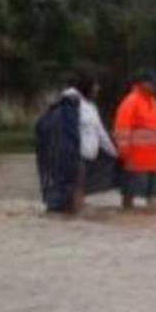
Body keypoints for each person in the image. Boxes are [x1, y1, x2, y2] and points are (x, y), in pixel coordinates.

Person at [61, 73, 121, 212]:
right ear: (87, 87)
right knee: (76, 191)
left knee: (80, 191)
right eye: (95, 85)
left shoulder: (91, 107)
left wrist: (115, 153)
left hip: (88, 159)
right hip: (74, 157)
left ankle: (77, 221)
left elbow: (101, 134)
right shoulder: (71, 104)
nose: (98, 88)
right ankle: (77, 221)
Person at [114, 69, 156, 210]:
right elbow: (122, 129)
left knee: (153, 199)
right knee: (129, 198)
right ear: (143, 84)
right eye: (153, 83)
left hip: (152, 161)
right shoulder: (131, 101)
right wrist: (124, 154)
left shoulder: (153, 102)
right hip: (135, 160)